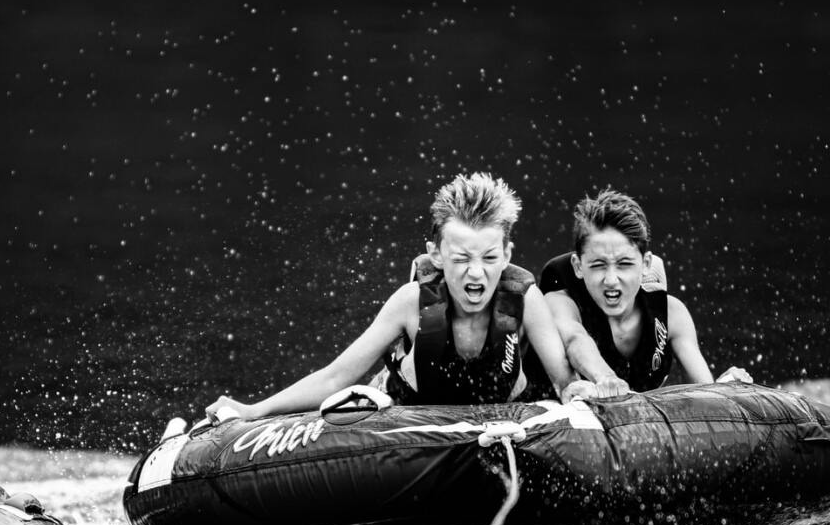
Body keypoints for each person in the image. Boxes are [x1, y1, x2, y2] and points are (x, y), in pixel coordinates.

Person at [205, 171, 604, 423]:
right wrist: (254, 410)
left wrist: (581, 391)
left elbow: (562, 381)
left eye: (489, 257)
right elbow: (337, 377)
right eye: (461, 258)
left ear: (507, 255)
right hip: (405, 428)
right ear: (436, 255)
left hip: (502, 428)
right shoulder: (411, 303)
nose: (476, 272)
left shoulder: (525, 301)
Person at [530, 189, 749, 392]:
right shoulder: (557, 304)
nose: (611, 280)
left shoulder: (673, 314)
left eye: (624, 264)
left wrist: (722, 390)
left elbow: (704, 390)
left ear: (646, 264)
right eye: (598, 265)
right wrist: (606, 378)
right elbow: (574, 339)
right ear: (578, 266)